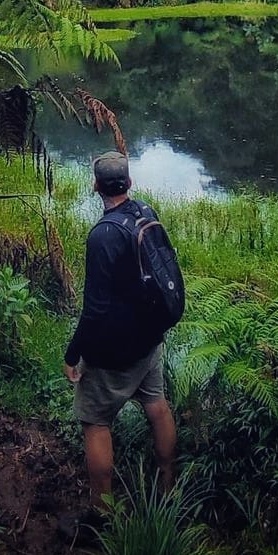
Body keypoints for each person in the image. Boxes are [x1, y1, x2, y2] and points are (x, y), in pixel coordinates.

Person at [63, 151, 177, 524]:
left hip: (115, 352)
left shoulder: (102, 235)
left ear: (96, 186)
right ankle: (167, 484)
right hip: (150, 339)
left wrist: (73, 353)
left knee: (96, 422)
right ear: (128, 184)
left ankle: (102, 515)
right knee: (157, 406)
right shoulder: (145, 210)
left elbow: (94, 310)